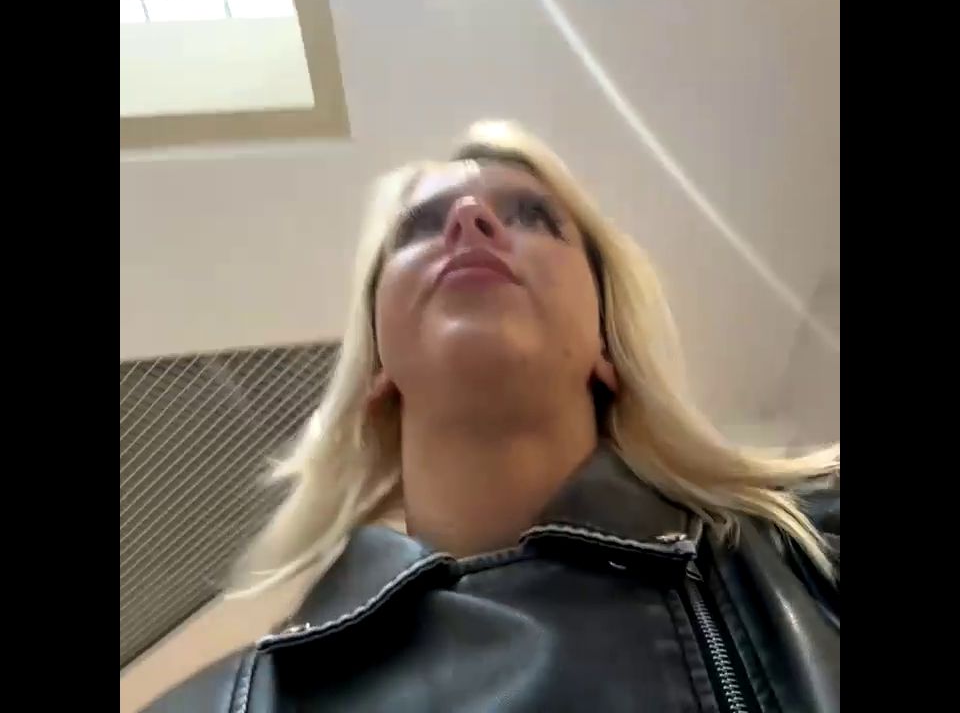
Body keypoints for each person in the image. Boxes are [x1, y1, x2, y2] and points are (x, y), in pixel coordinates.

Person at [147, 120, 839, 713]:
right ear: (378, 359)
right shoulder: (223, 703)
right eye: (420, 226)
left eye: (532, 217)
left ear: (606, 342)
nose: (468, 221)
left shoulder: (812, 558)